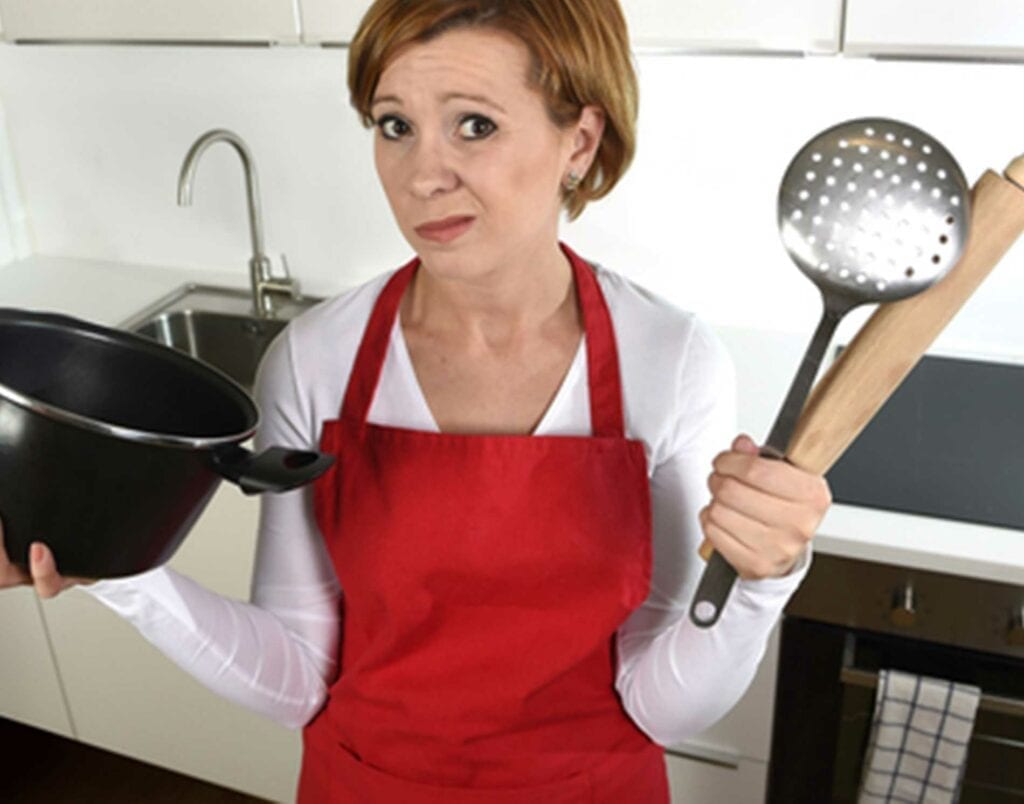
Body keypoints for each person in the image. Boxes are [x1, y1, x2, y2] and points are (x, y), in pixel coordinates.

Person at [0, 1, 831, 801]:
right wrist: (116, 567)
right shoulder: (317, 359)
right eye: (395, 125)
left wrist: (760, 584)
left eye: (474, 123)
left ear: (579, 139)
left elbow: (661, 704)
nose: (422, 176)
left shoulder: (671, 361)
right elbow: (297, 676)